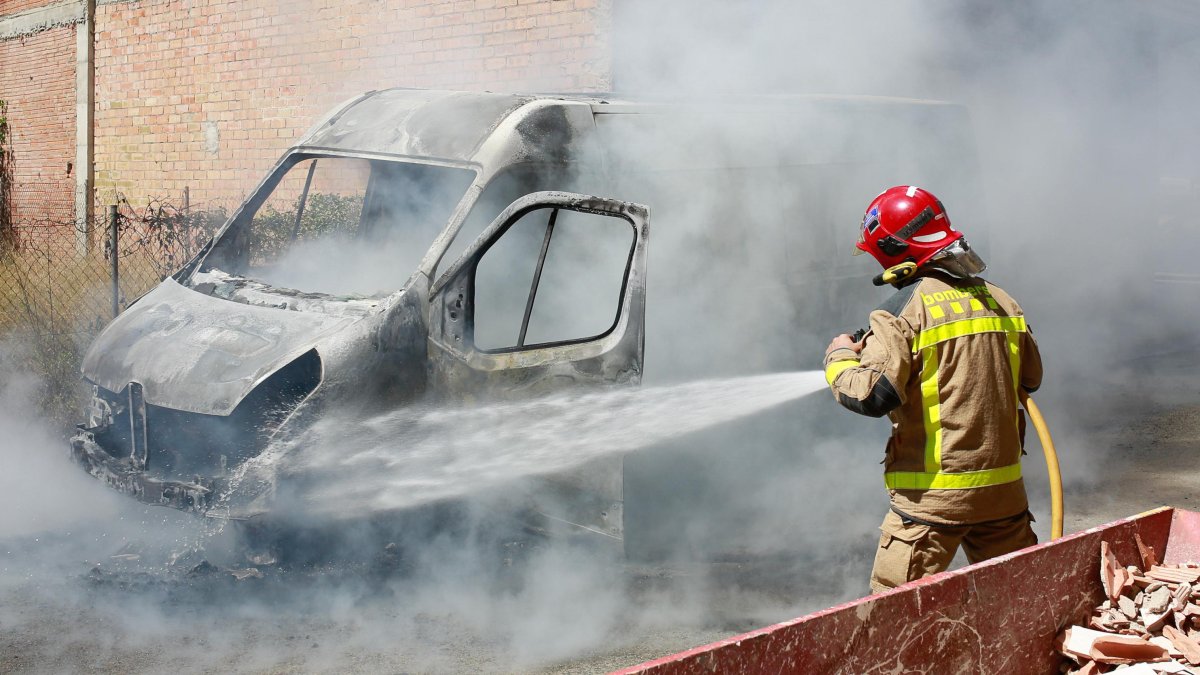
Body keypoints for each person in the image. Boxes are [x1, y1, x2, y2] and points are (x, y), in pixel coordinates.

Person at [823, 185, 1043, 593]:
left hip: (931, 502)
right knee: (1020, 603)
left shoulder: (900, 311)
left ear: (892, 251)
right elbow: (1030, 379)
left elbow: (872, 394)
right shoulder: (1002, 300)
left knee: (895, 622)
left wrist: (839, 358)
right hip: (1003, 496)